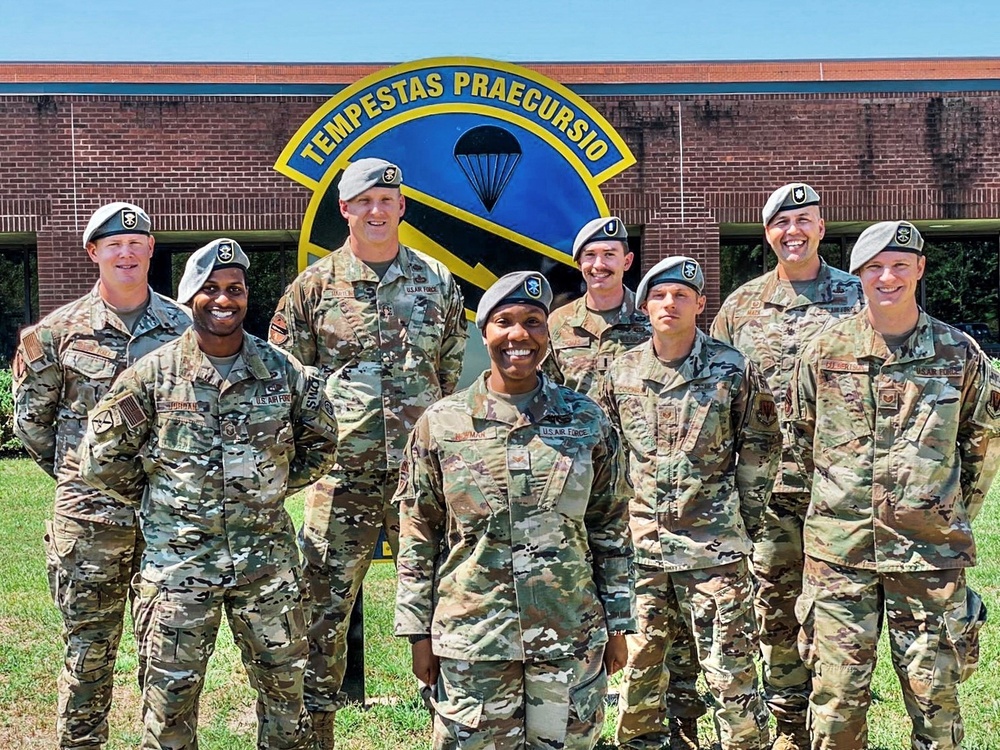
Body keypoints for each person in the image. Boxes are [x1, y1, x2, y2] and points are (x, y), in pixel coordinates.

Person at [78, 239, 339, 749]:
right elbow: (101, 458)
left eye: (235, 290)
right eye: (211, 290)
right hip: (179, 569)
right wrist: (164, 497)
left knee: (287, 705)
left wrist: (271, 488)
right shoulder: (151, 376)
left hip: (267, 568)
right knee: (168, 710)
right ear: (190, 296)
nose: (225, 300)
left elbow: (321, 441)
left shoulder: (281, 372)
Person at [269, 156, 467, 745]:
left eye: (387, 200)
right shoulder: (313, 287)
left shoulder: (436, 279)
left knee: (445, 603)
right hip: (340, 477)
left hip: (422, 477)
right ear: (345, 209)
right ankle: (314, 736)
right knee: (321, 614)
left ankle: (455, 730)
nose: (376, 211)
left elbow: (451, 369)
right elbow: (290, 380)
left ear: (402, 207)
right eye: (365, 202)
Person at [394, 271, 635, 750]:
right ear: (484, 333)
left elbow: (610, 526)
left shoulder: (586, 420)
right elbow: (418, 532)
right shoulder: (442, 424)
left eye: (533, 322)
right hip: (473, 640)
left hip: (569, 635)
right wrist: (418, 632)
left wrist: (618, 623)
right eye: (504, 322)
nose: (518, 335)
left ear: (548, 333)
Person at [788, 221, 1000, 750]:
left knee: (937, 708)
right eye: (875, 267)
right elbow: (799, 442)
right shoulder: (824, 351)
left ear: (920, 269)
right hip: (839, 557)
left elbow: (982, 448)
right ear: (858, 273)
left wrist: (939, 513)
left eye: (900, 265)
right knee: (835, 708)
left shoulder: (959, 354)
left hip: (929, 559)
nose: (888, 277)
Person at [12, 202, 190, 749]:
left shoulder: (186, 328)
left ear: (151, 250)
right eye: (114, 244)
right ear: (94, 252)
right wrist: (84, 476)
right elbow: (32, 424)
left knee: (169, 658)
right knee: (87, 656)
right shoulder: (55, 334)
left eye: (137, 242)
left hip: (168, 519)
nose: (127, 252)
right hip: (88, 525)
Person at [605, 256, 780, 750]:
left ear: (701, 303)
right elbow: (608, 454)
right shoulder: (622, 372)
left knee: (731, 673)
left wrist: (739, 518)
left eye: (682, 295)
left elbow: (761, 444)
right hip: (641, 549)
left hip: (714, 551)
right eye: (660, 295)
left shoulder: (732, 368)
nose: (670, 303)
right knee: (640, 673)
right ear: (645, 305)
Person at [711, 183, 863, 750]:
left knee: (840, 615)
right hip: (768, 492)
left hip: (841, 491)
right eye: (781, 223)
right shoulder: (741, 307)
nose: (792, 231)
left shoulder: (859, 296)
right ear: (767, 234)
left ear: (822, 228)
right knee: (774, 609)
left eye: (804, 220)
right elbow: (716, 393)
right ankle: (790, 728)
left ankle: (835, 727)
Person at [544, 216, 650, 399]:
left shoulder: (651, 317)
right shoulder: (558, 322)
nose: (599, 265)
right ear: (579, 263)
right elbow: (547, 387)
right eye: (590, 255)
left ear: (627, 261)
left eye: (609, 254)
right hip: (579, 427)